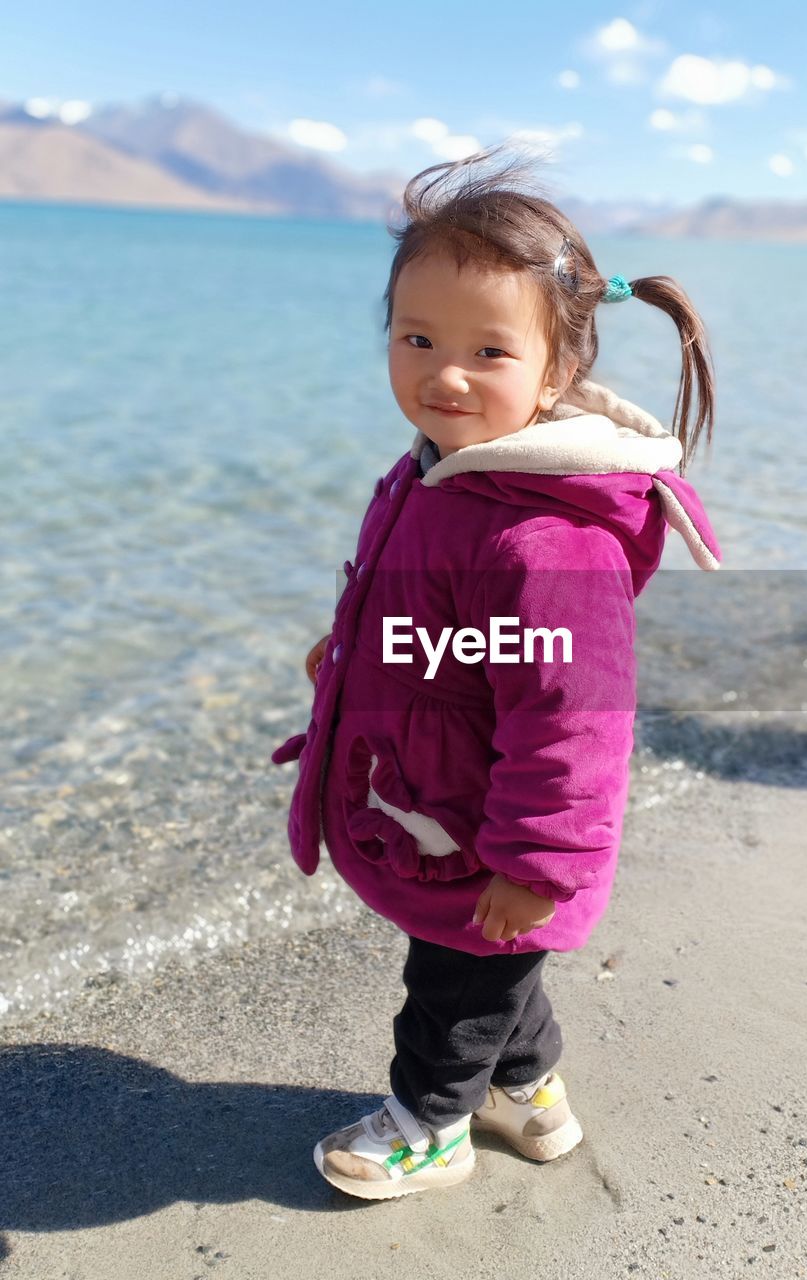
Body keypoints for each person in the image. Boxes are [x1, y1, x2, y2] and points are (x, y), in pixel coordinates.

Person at [271, 143, 722, 1201]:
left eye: (488, 349)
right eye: (416, 336)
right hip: (442, 799)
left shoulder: (547, 544)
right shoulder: (438, 469)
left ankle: (432, 1125)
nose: (445, 371)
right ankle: (530, 1094)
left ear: (558, 370)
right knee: (487, 969)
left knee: (452, 984)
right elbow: (434, 618)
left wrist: (537, 862)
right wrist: (353, 652)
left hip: (490, 835)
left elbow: (576, 723)